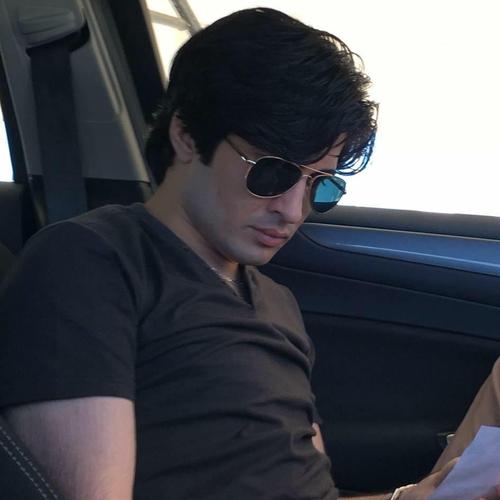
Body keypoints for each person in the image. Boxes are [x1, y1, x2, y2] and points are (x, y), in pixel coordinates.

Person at [0, 7, 497, 500]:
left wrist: (409, 497)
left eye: (320, 185)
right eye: (272, 173)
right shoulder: (91, 264)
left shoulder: (277, 302)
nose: (293, 210)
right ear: (187, 135)